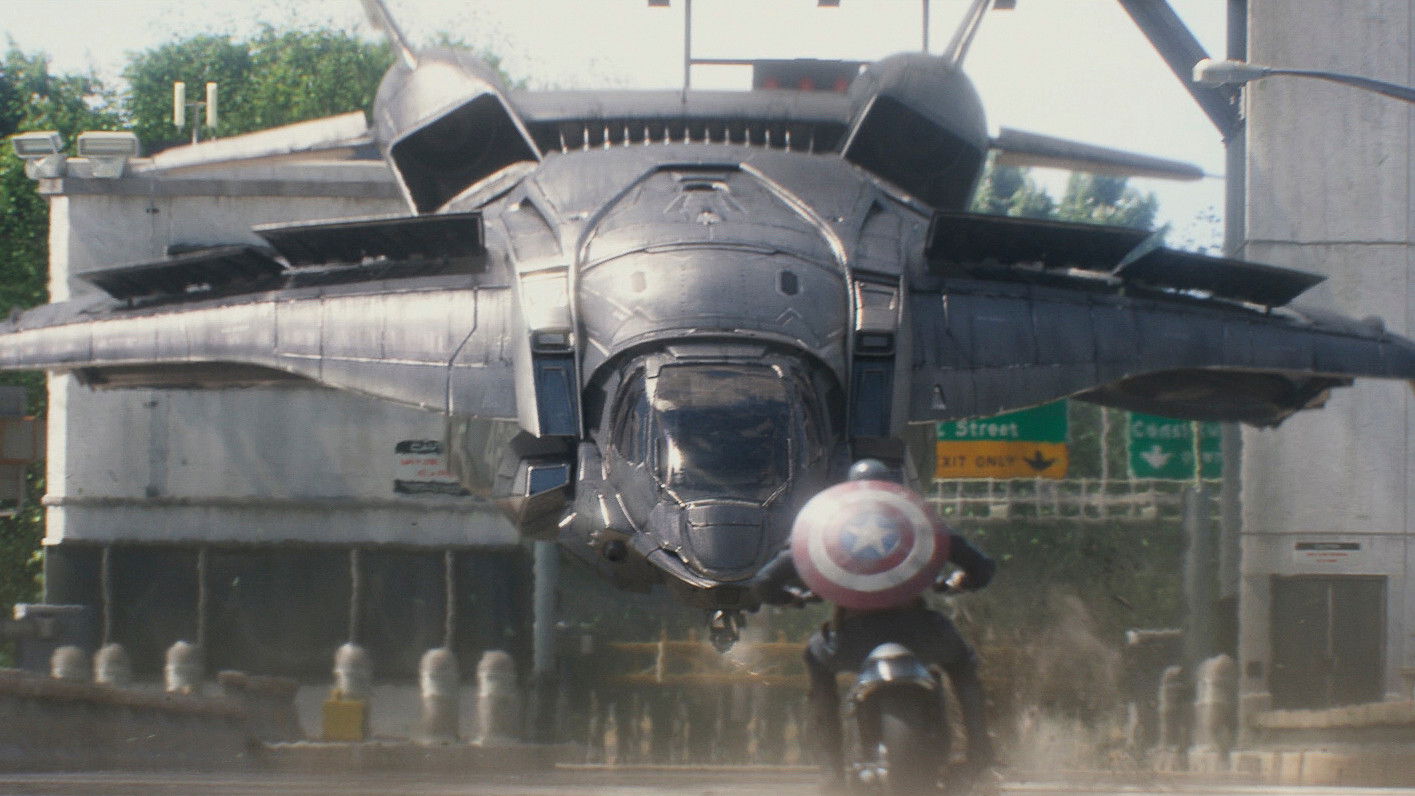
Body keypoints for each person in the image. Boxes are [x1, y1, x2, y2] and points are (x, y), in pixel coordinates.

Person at [751, 459, 998, 791]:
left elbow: (764, 583)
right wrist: (962, 581)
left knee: (815, 660)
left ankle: (831, 770)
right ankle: (980, 753)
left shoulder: (827, 525)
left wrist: (790, 598)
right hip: (922, 634)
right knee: (962, 662)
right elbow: (982, 568)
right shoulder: (918, 522)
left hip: (851, 640)